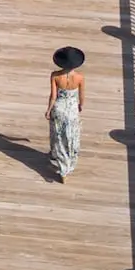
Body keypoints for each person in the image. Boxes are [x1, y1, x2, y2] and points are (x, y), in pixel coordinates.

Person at [48, 47, 85, 181]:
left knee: (58, 135)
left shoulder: (55, 76)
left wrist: (48, 110)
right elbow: (81, 95)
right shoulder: (80, 77)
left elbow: (53, 96)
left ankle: (59, 162)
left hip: (59, 108)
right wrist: (80, 105)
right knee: (71, 135)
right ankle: (68, 163)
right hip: (72, 109)